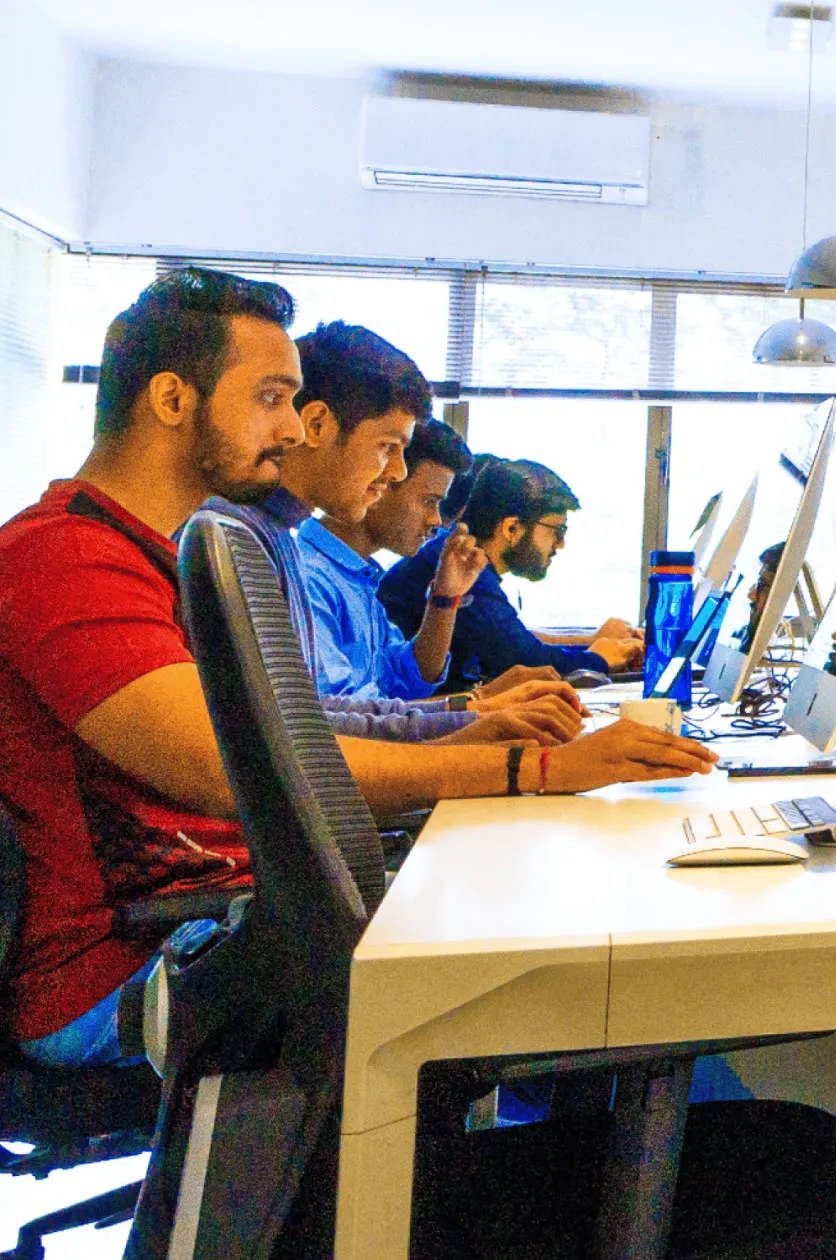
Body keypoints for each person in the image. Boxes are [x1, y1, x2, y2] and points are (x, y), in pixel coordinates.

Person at [0, 268, 717, 1070]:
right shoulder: (64, 558)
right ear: (172, 400)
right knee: (548, 966)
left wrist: (486, 750)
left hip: (224, 913)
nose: (293, 429)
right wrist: (532, 767)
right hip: (131, 969)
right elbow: (228, 766)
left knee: (556, 926)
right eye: (270, 399)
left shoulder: (160, 558)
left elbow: (287, 726)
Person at [245, 322, 580, 745]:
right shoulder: (271, 552)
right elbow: (325, 733)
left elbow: (398, 684)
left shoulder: (303, 553)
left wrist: (471, 700)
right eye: (387, 447)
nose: (394, 472)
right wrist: (479, 720)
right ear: (316, 426)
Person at [378, 458, 645, 686]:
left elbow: (512, 638)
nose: (560, 545)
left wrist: (597, 645)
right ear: (511, 529)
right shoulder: (458, 565)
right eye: (557, 531)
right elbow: (524, 659)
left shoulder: (462, 558)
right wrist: (598, 659)